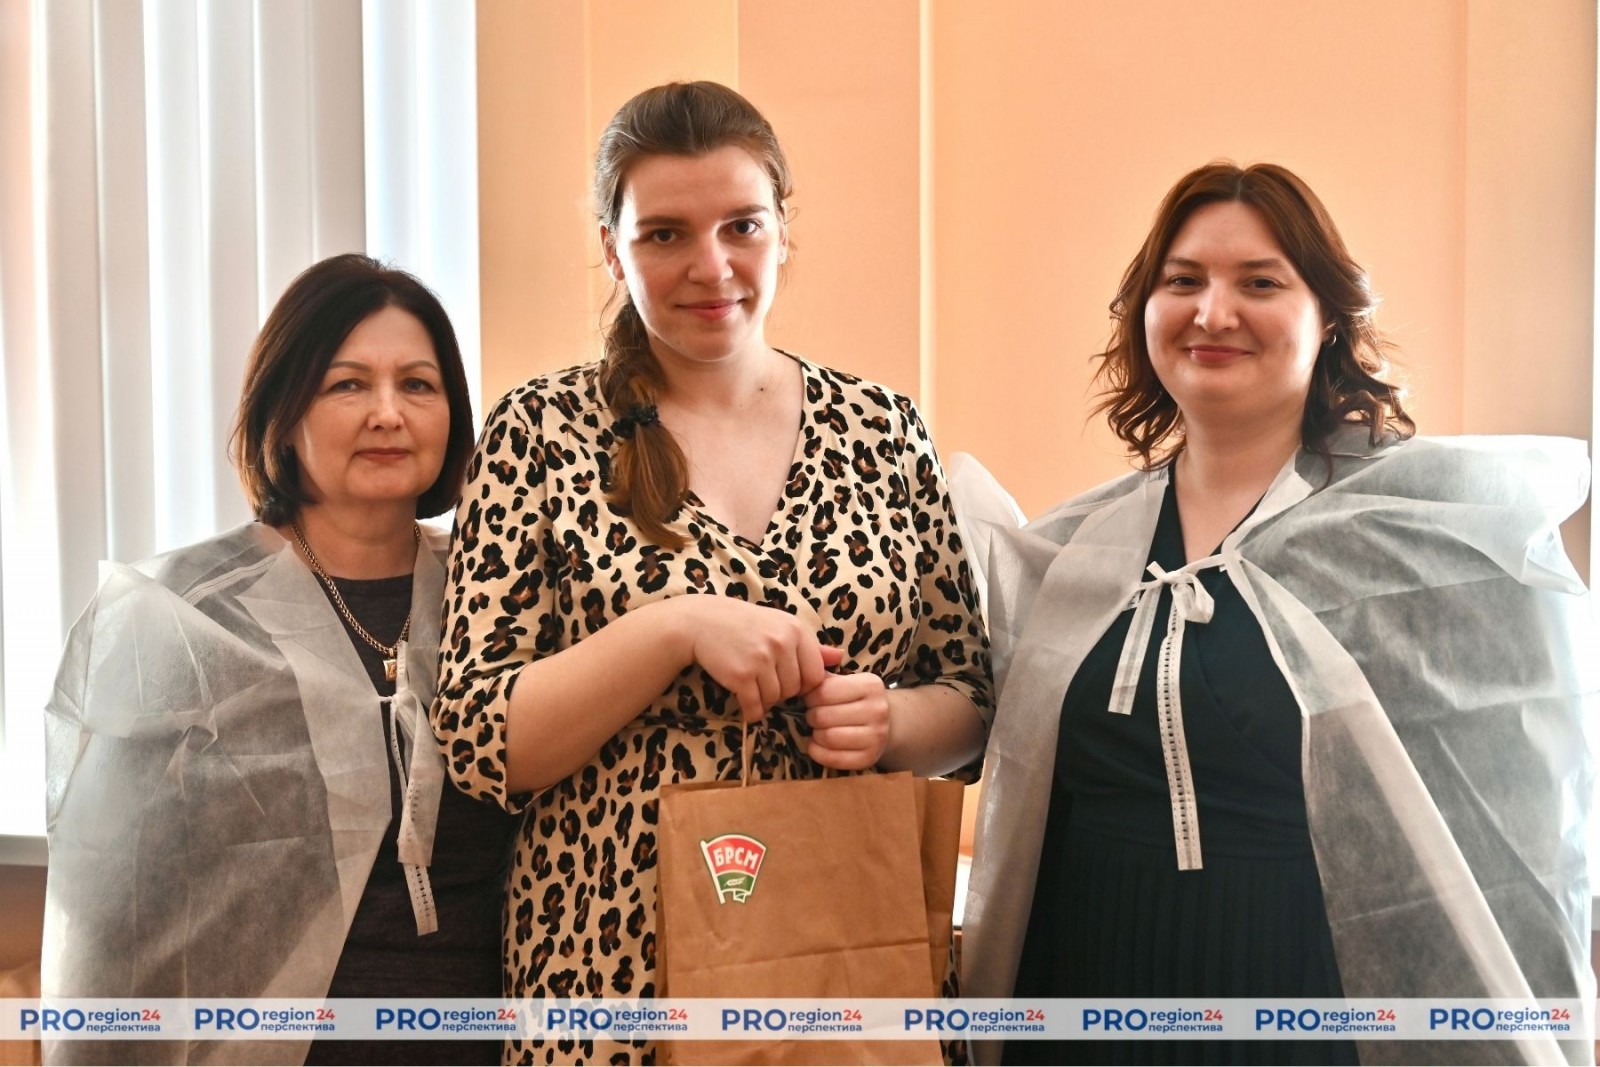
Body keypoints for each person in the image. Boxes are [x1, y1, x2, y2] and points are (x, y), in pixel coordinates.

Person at [960, 162, 1596, 1065]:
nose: (1213, 312)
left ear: (1327, 315)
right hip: (1087, 984)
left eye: (1260, 283)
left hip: (1301, 996)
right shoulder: (1073, 551)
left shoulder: (1415, 537)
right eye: (1183, 281)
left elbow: (1518, 829)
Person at [431, 80, 994, 1066]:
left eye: (742, 225)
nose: (711, 264)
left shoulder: (884, 429)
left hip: (842, 947)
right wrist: (674, 627)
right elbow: (482, 740)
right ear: (613, 249)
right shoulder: (538, 431)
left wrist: (889, 722)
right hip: (611, 967)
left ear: (783, 229)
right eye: (664, 234)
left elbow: (972, 700)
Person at [42, 254, 519, 1066]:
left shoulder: (502, 597)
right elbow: (109, 925)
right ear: (284, 408)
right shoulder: (182, 618)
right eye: (347, 385)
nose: (387, 413)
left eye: (417, 384)